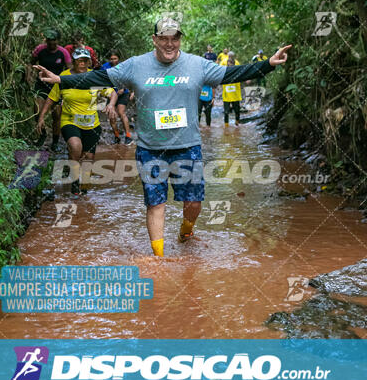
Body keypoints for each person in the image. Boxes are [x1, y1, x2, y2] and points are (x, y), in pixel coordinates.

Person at [34, 16, 291, 257]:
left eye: (175, 38)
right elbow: (99, 77)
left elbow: (235, 74)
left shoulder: (197, 65)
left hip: (187, 146)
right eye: (164, 38)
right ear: (155, 39)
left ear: (180, 39)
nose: (169, 44)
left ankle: (186, 230)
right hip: (150, 148)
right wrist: (60, 80)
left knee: (193, 203)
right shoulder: (136, 65)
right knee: (155, 204)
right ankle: (159, 260)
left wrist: (267, 64)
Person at [37, 48, 102, 196]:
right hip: (70, 120)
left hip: (91, 124)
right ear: (73, 61)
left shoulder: (94, 76)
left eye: (86, 60)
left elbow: (109, 92)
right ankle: (74, 182)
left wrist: (110, 105)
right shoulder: (63, 77)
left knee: (88, 160)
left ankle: (83, 189)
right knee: (75, 146)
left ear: (89, 62)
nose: (83, 63)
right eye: (80, 60)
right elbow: (52, 98)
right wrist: (42, 117)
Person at [30, 29, 72, 151]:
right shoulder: (40, 50)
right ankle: (42, 135)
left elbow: (69, 70)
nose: (51, 42)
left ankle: (55, 142)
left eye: (54, 40)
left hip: (57, 86)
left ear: (58, 41)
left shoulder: (63, 53)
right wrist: (29, 73)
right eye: (49, 40)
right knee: (37, 111)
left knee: (56, 115)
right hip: (41, 84)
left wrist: (66, 87)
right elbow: (31, 63)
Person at [101, 51, 134, 145]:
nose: (113, 60)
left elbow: (128, 79)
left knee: (121, 112)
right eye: (111, 59)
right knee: (112, 115)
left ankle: (128, 136)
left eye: (115, 58)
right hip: (110, 93)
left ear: (118, 59)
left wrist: (125, 89)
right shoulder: (104, 67)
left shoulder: (123, 66)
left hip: (123, 92)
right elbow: (102, 80)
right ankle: (116, 136)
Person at [223, 58, 242, 127]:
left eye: (230, 64)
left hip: (236, 96)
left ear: (233, 64)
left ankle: (237, 124)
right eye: (228, 64)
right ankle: (226, 126)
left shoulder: (238, 72)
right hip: (226, 96)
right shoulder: (224, 72)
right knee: (226, 112)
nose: (229, 65)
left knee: (237, 111)